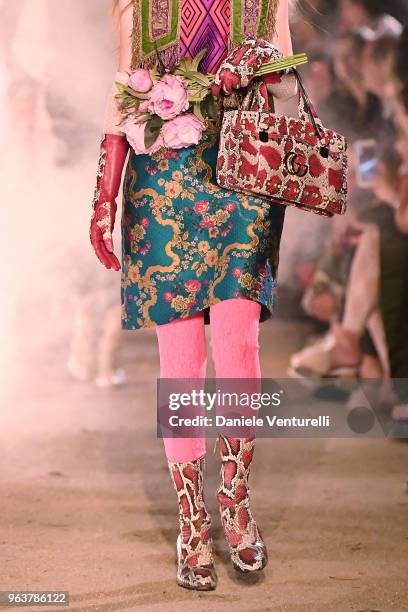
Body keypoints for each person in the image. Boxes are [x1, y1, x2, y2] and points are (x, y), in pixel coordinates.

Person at [89, 0, 294, 592]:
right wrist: (104, 196)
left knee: (238, 343)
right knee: (180, 359)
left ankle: (233, 500)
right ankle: (192, 520)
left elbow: (285, 86)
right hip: (161, 184)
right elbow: (122, 93)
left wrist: (257, 69)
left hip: (243, 177)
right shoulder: (141, 6)